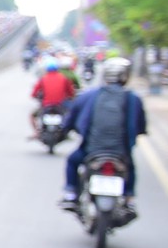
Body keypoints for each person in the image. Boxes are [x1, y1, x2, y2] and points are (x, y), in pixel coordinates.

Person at [58, 56, 147, 215]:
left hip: (91, 151)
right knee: (131, 168)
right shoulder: (133, 99)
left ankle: (71, 194)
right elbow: (140, 125)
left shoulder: (89, 95)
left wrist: (66, 130)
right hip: (121, 154)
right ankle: (129, 199)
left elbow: (72, 117)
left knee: (72, 161)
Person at [28, 60, 76, 137]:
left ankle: (36, 132)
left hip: (46, 105)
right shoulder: (64, 78)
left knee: (32, 115)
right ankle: (67, 132)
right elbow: (71, 92)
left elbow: (34, 93)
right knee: (70, 115)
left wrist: (36, 97)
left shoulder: (43, 79)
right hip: (60, 105)